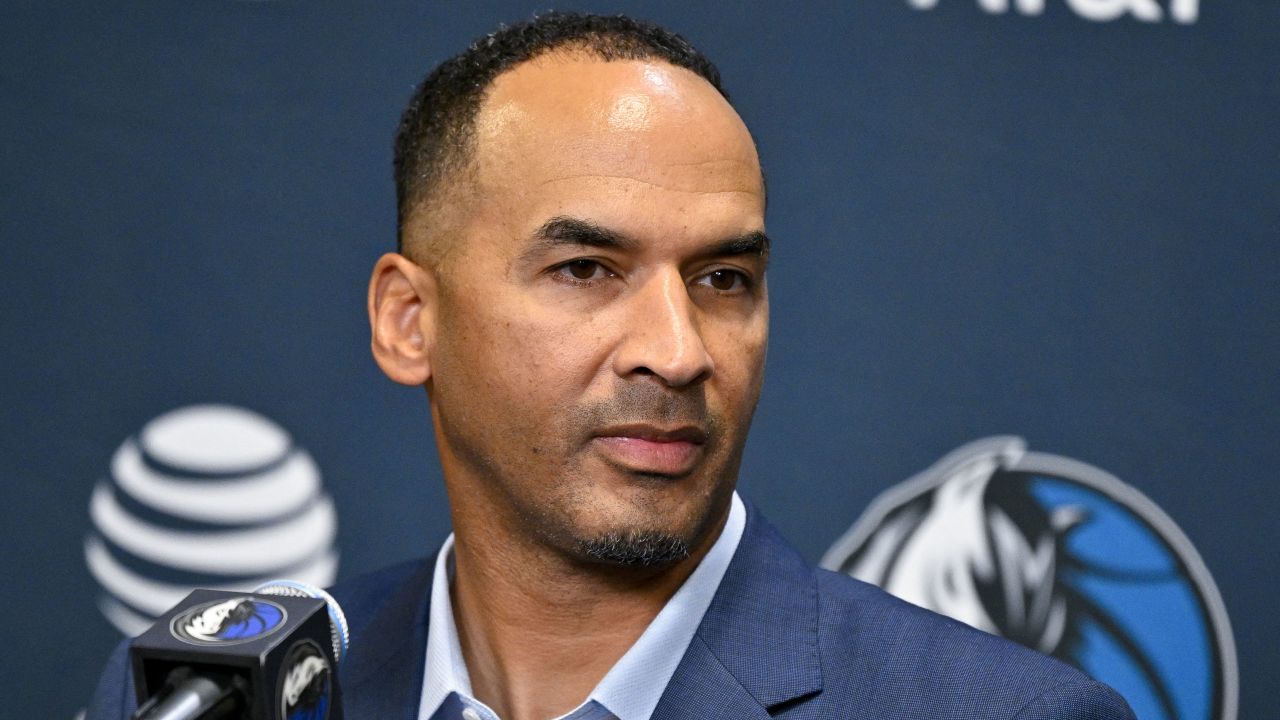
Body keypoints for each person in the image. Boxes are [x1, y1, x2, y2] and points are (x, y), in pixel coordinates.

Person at [88, 12, 1135, 720]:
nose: (677, 352)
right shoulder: (210, 701)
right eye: (586, 269)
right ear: (409, 321)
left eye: (723, 278)